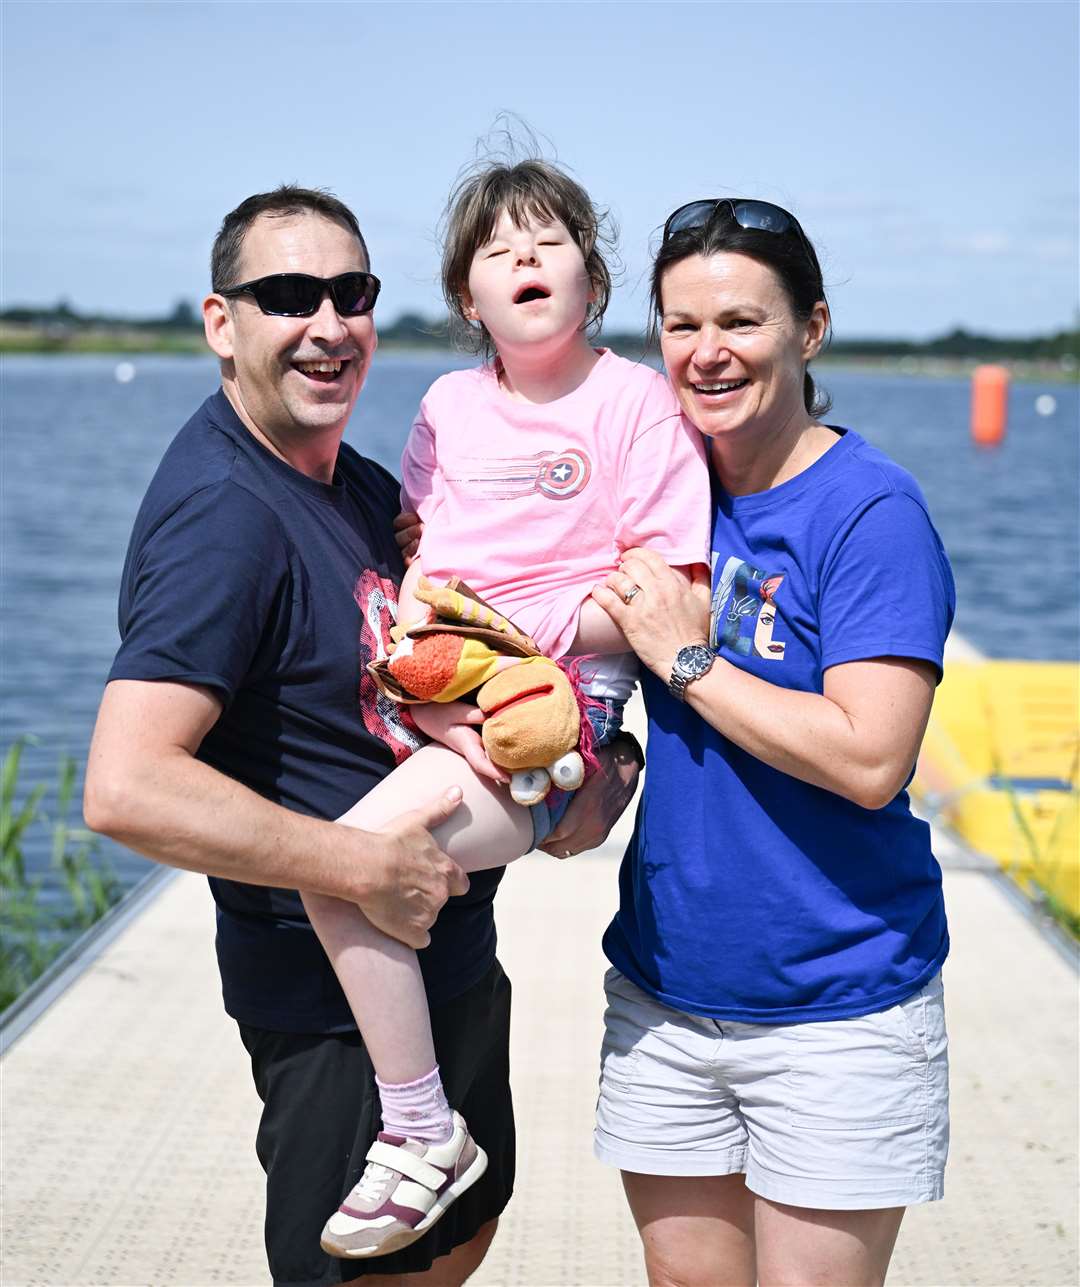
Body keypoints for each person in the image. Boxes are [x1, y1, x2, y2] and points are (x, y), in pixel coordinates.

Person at [83, 184, 640, 1287]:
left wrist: (605, 760)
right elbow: (127, 785)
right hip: (332, 1020)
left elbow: (482, 649)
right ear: (220, 322)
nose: (328, 324)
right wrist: (360, 864)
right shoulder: (225, 518)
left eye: (352, 293)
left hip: (452, 970)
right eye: (288, 296)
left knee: (462, 1239)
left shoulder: (362, 488)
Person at [303, 158, 711, 1260]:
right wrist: (442, 661)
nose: (524, 257)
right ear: (467, 297)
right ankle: (425, 1127)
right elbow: (427, 565)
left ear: (594, 278)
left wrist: (512, 635)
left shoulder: (635, 404)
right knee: (350, 869)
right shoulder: (447, 406)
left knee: (343, 858)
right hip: (446, 704)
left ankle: (423, 1132)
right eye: (496, 249)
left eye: (548, 240)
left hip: (554, 717)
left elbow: (665, 599)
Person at [589, 198, 954, 1287]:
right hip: (665, 989)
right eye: (681, 324)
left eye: (741, 322)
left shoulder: (869, 512)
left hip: (839, 1006)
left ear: (813, 329)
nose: (707, 354)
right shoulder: (664, 495)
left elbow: (869, 758)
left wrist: (690, 661)